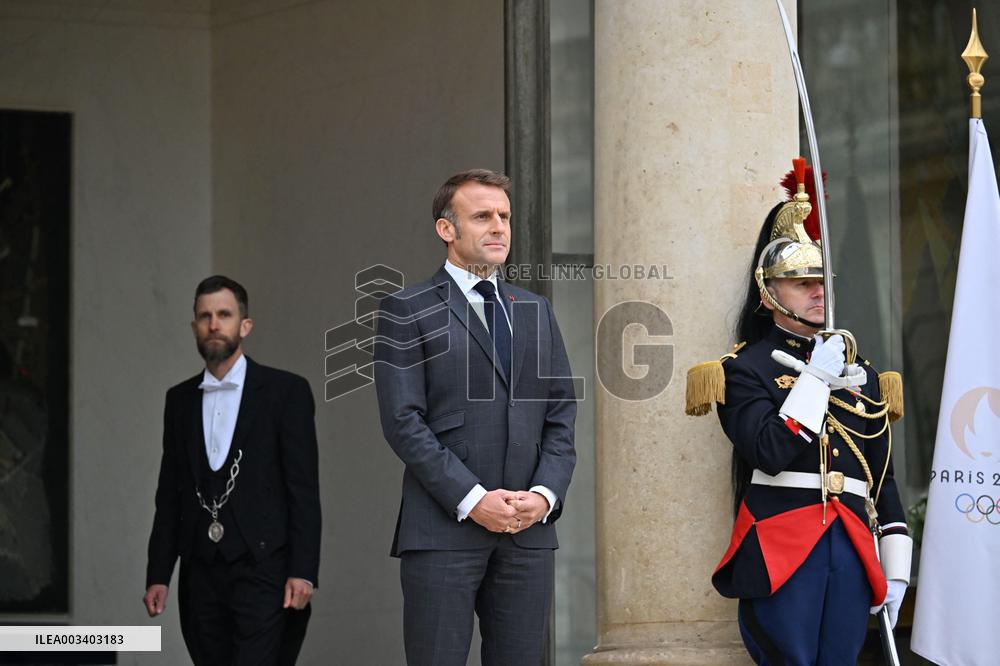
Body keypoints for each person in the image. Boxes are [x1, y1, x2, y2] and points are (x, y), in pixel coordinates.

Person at [686, 160, 912, 665]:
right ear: (769, 294)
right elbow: (770, 450)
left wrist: (896, 566)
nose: (818, 291)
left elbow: (881, 477)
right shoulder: (744, 369)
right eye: (801, 282)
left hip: (852, 542)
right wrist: (814, 381)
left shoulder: (864, 372)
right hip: (784, 541)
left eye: (822, 280)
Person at [373, 169, 577, 665]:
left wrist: (544, 495)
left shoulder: (536, 310)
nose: (499, 227)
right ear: (447, 229)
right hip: (443, 530)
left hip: (528, 533)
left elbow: (560, 415)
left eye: (504, 216)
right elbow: (403, 422)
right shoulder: (406, 309)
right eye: (483, 216)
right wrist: (473, 499)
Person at [143, 275, 321, 666]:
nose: (213, 324)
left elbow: (303, 490)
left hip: (265, 570)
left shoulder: (285, 392)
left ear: (245, 325)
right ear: (194, 326)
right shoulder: (179, 400)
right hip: (199, 574)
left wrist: (303, 571)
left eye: (224, 315)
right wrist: (158, 574)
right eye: (204, 316)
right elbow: (169, 494)